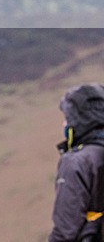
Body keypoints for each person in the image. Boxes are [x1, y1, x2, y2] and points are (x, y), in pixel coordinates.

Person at [50, 83, 104, 242]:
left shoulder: (76, 162)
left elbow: (65, 231)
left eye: (67, 119)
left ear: (79, 121)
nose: (64, 124)